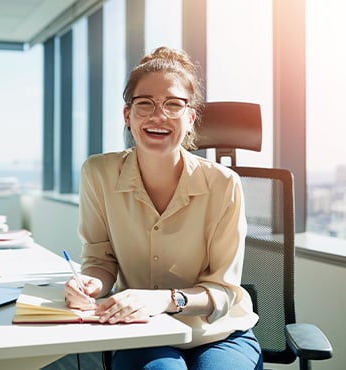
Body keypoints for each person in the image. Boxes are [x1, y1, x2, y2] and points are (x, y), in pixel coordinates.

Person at [64, 46, 263, 370]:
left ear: (190, 118)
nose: (159, 116)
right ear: (127, 116)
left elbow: (223, 291)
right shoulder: (98, 174)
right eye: (145, 104)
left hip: (219, 332)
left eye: (173, 105)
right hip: (144, 330)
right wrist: (90, 283)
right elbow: (100, 260)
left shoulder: (224, 184)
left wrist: (165, 300)